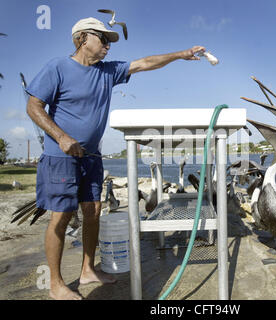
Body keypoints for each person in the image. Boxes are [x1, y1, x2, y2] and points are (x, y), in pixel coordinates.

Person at [26, 17, 206, 300]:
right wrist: (61, 137)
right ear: (83, 38)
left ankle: (87, 269)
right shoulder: (57, 67)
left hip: (92, 157)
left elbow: (145, 63)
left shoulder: (108, 72)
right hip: (60, 157)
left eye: (111, 40)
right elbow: (33, 106)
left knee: (93, 212)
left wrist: (181, 55)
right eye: (103, 39)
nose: (109, 45)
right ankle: (56, 284)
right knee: (60, 217)